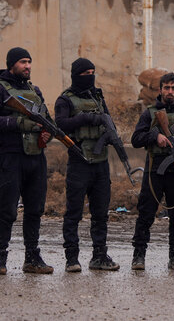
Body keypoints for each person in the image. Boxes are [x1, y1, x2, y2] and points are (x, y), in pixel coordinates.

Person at [0, 47, 54, 275]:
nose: (27, 66)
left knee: (35, 210)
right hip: (10, 157)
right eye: (23, 62)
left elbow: (47, 121)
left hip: (35, 158)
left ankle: (32, 258)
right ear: (12, 64)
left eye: (29, 62)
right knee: (8, 210)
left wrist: (47, 134)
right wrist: (20, 124)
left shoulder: (34, 91)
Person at [56, 57, 120, 272]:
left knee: (100, 213)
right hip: (79, 161)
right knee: (73, 213)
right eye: (86, 74)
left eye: (93, 73)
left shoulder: (98, 97)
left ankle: (99, 256)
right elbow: (60, 125)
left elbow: (108, 121)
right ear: (76, 76)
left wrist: (111, 136)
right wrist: (84, 119)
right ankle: (71, 258)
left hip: (100, 162)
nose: (90, 77)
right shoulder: (65, 99)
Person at [129, 72, 174, 271]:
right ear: (160, 90)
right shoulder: (149, 114)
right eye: (167, 88)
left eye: (173, 88)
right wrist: (155, 137)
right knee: (146, 213)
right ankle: (138, 256)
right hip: (155, 170)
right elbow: (136, 139)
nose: (170, 92)